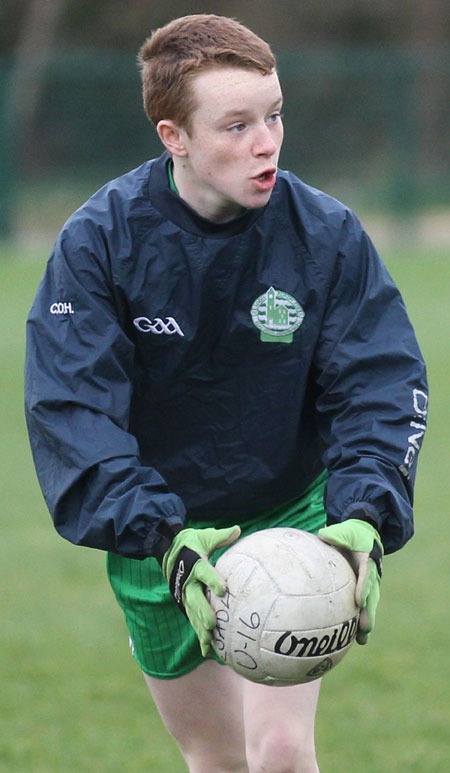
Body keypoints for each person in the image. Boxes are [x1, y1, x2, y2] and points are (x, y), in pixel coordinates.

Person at [25, 14, 428, 773]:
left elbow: (380, 382)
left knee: (279, 750)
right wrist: (156, 534)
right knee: (218, 760)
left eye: (274, 115)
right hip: (161, 533)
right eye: (236, 124)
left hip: (294, 509)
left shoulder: (327, 236)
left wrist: (365, 514)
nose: (266, 141)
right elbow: (74, 412)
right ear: (173, 136)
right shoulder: (101, 243)